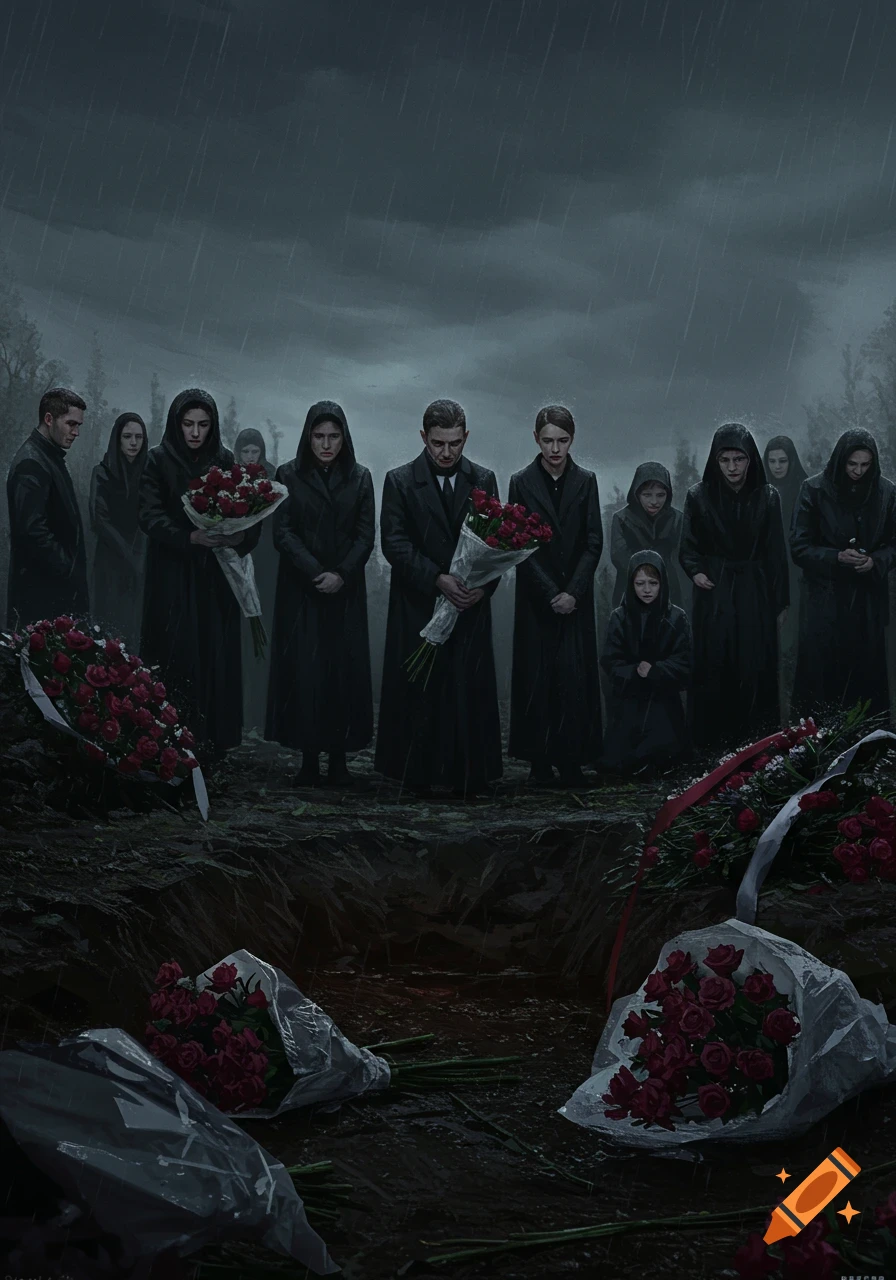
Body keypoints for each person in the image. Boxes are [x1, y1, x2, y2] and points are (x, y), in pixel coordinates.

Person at [375, 398, 502, 798]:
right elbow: (394, 543)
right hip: (417, 604)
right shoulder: (399, 481)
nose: (447, 452)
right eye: (438, 443)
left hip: (468, 604)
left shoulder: (484, 479)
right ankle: (416, 774)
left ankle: (470, 774)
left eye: (455, 443)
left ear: (466, 437)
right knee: (420, 690)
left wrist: (483, 587)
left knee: (467, 689)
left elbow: (498, 542)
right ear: (423, 437)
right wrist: (436, 578)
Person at [139, 389, 260, 762]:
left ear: (213, 425)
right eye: (188, 424)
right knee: (174, 654)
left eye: (203, 425)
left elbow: (249, 515)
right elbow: (149, 515)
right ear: (176, 423)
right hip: (171, 577)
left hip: (214, 579)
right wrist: (188, 537)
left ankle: (213, 744)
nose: (195, 432)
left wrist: (239, 536)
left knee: (213, 657)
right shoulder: (157, 460)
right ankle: (167, 744)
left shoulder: (224, 460)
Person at [265, 402, 375, 786]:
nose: (326, 444)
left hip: (345, 592)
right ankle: (308, 760)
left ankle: (339, 761)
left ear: (344, 438)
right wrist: (316, 572)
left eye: (333, 436)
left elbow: (365, 536)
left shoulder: (361, 477)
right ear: (308, 437)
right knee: (306, 674)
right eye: (319, 436)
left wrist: (341, 573)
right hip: (302, 591)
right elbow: (283, 533)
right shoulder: (287, 475)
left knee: (341, 675)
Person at [507, 405, 603, 786]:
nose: (555, 449)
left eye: (562, 440)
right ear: (536, 439)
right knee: (537, 677)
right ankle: (539, 761)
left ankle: (572, 759)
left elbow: (593, 542)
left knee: (573, 678)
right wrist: (550, 592)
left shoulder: (587, 481)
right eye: (548, 440)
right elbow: (518, 543)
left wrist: (573, 592)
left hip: (575, 597)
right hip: (537, 597)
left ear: (572, 439)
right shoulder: (521, 481)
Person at [679, 423, 789, 752]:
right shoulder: (698, 495)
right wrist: (696, 572)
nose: (732, 467)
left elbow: (776, 552)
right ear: (715, 461)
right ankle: (712, 746)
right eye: (724, 460)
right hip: (715, 589)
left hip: (755, 589)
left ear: (750, 460)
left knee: (755, 664)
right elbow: (687, 547)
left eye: (738, 459)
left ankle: (758, 744)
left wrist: (781, 601)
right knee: (716, 663)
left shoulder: (767, 496)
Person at [791, 429, 896, 718]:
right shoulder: (813, 490)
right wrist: (835, 557)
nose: (858, 471)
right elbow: (798, 546)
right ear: (841, 460)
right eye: (852, 464)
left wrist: (875, 561)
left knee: (865, 682)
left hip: (867, 604)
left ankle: (866, 738)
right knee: (822, 682)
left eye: (865, 465)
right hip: (824, 603)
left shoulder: (887, 493)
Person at [600, 551, 691, 775]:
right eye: (640, 583)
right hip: (629, 696)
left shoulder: (676, 617)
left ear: (663, 583)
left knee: (664, 751)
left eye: (653, 583)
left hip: (663, 697)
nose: (647, 590)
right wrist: (634, 671)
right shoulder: (620, 617)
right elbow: (610, 659)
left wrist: (656, 670)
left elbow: (684, 660)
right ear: (631, 584)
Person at [6, 387, 89, 628]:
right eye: (71, 424)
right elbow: (32, 532)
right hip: (41, 596)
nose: (76, 432)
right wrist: (69, 569)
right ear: (49, 419)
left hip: (50, 592)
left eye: (79, 425)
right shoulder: (32, 462)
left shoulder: (47, 456)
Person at [88, 413, 148, 648]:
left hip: (142, 557)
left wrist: (139, 556)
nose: (133, 443)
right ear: (117, 439)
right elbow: (99, 519)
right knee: (110, 626)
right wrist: (128, 555)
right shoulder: (102, 472)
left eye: (138, 437)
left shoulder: (147, 474)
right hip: (110, 561)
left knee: (136, 624)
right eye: (127, 436)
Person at [233, 427, 277, 732]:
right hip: (236, 563)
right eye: (245, 451)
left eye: (255, 452)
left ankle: (262, 713)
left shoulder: (273, 480)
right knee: (240, 639)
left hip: (267, 565)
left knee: (264, 636)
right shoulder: (229, 479)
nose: (250, 457)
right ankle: (243, 713)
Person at [763, 435, 808, 708]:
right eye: (772, 461)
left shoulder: (805, 490)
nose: (777, 466)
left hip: (799, 574)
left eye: (782, 460)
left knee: (796, 644)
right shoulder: (760, 492)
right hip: (766, 575)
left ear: (791, 461)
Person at [610, 462, 689, 610]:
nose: (654, 502)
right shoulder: (621, 519)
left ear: (668, 494)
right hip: (631, 587)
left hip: (669, 588)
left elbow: (683, 556)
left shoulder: (677, 518)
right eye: (647, 495)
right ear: (637, 494)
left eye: (660, 495)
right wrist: (646, 579)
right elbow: (619, 556)